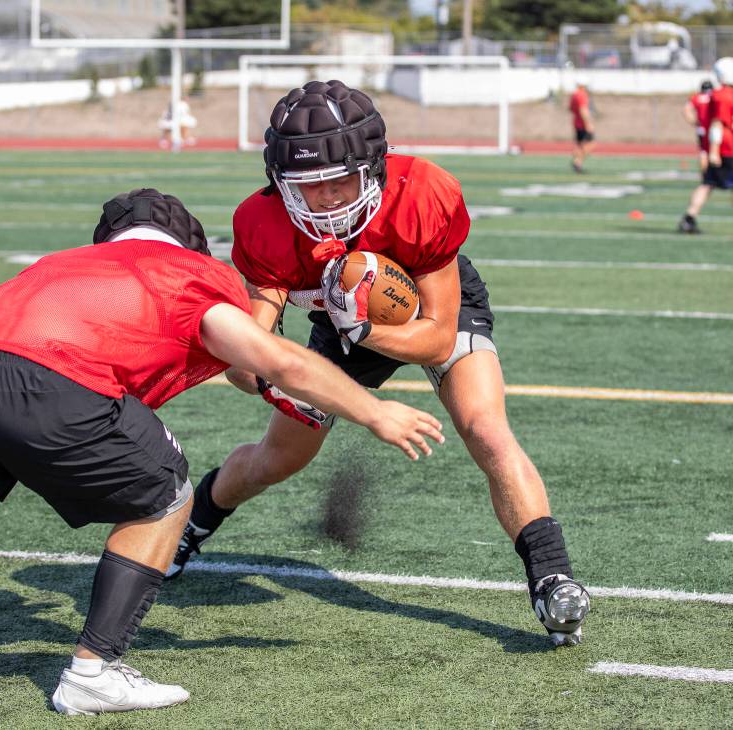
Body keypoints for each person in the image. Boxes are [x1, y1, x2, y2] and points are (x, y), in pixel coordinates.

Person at [0, 189, 444, 715]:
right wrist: (373, 407)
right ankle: (92, 673)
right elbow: (266, 355)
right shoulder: (186, 273)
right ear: (188, 243)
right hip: (50, 377)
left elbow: (243, 367)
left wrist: (277, 390)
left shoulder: (67, 263)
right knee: (168, 491)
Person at [166, 80, 591, 648]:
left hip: (428, 304)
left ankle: (552, 578)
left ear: (374, 167)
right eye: (308, 185)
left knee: (487, 429)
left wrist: (365, 328)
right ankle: (193, 523)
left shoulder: (422, 193)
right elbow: (246, 347)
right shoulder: (263, 222)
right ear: (279, 183)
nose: (327, 199)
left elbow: (439, 337)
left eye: (341, 179)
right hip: (340, 330)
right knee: (276, 460)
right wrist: (265, 377)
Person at [680, 63, 733, 235]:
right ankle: (688, 219)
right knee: (707, 184)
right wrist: (714, 150)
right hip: (727, 148)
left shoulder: (719, 95)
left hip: (722, 147)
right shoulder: (725, 96)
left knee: (707, 184)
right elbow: (718, 124)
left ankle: (689, 218)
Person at [569, 80, 594, 173]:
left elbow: (571, 109)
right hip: (582, 124)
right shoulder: (582, 95)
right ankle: (577, 162)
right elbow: (583, 110)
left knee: (580, 145)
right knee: (590, 144)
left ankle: (577, 161)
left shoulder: (574, 95)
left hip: (576, 122)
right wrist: (588, 123)